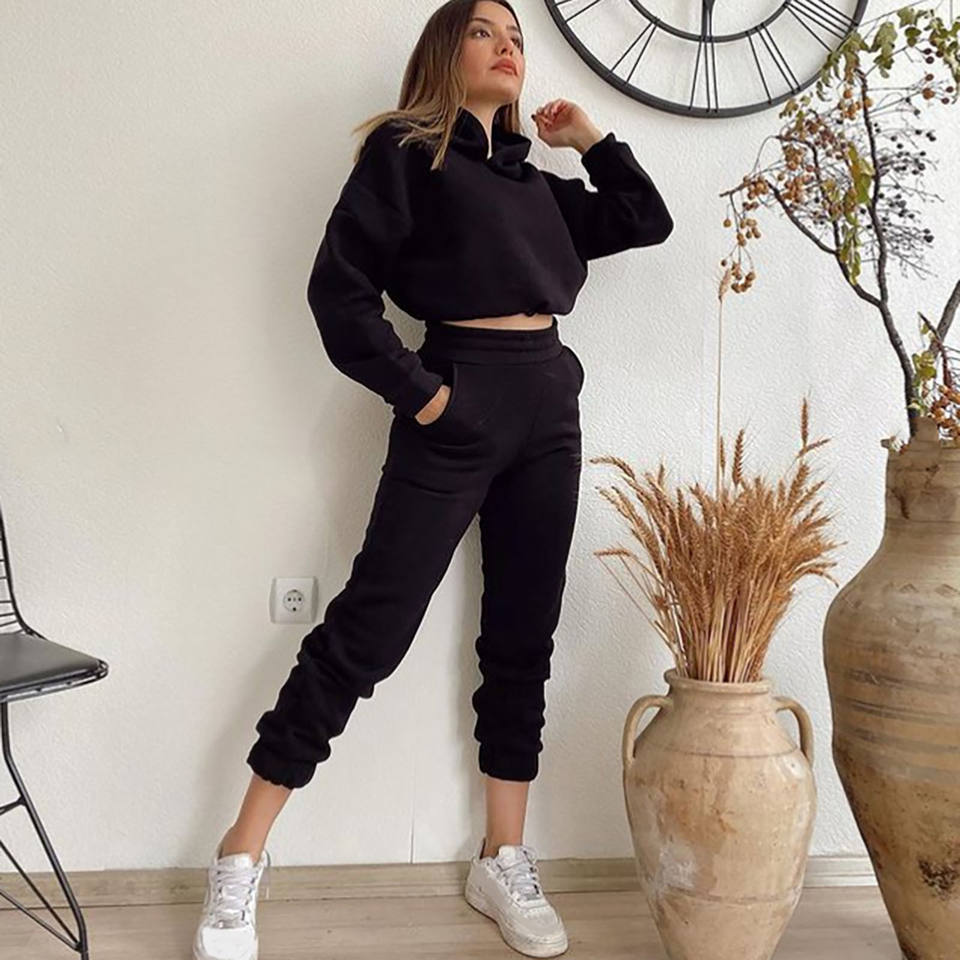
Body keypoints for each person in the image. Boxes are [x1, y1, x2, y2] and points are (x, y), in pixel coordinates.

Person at [192, 1, 673, 958]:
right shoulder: (408, 155)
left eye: (518, 37)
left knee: (523, 636)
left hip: (547, 405)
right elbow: (338, 293)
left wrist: (590, 139)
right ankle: (240, 856)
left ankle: (503, 857)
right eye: (486, 31)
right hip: (456, 401)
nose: (509, 46)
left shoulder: (535, 185)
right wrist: (423, 397)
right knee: (368, 631)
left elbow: (644, 219)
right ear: (444, 51)